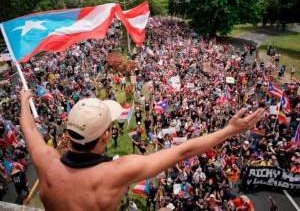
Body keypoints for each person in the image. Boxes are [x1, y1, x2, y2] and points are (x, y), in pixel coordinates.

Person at [19, 89, 265, 211]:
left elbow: (27, 126)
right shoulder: (116, 172)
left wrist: (24, 99)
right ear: (105, 136)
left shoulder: (45, 160)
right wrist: (230, 130)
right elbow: (182, 152)